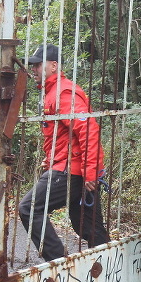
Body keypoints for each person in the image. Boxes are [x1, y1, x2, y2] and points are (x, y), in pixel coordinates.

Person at [18, 43, 110, 261]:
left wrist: (90, 171)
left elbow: (88, 129)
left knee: (29, 209)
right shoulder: (53, 92)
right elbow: (62, 136)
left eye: (38, 65)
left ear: (53, 66)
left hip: (71, 171)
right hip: (68, 166)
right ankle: (109, 266)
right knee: (87, 226)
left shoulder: (64, 92)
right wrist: (50, 157)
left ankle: (59, 263)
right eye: (33, 66)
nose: (34, 69)